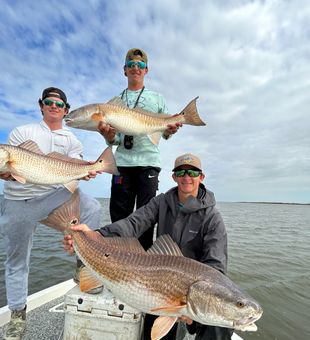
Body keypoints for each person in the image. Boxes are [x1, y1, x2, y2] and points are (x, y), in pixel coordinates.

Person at [63, 153, 233, 340]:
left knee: (220, 326)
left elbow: (215, 267)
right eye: (181, 172)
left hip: (192, 290)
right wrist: (97, 235)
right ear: (174, 177)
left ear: (201, 177)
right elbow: (134, 223)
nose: (187, 177)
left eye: (193, 172)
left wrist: (193, 311)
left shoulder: (212, 218)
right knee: (154, 334)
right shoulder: (161, 202)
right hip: (158, 284)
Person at [0, 87, 103, 340]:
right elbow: (11, 173)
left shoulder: (72, 139)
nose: (54, 107)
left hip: (52, 197)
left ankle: (82, 265)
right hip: (18, 201)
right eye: (49, 102)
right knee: (16, 259)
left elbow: (76, 170)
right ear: (41, 106)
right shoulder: (22, 133)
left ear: (66, 110)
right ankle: (17, 314)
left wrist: (86, 172)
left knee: (93, 207)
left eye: (59, 104)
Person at [99, 47, 182, 250]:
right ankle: (118, 260)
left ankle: (143, 264)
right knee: (119, 215)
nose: (136, 68)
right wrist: (107, 134)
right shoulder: (114, 103)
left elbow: (164, 133)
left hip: (149, 164)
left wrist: (171, 130)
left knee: (146, 217)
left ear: (146, 70)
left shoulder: (158, 99)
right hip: (123, 165)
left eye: (140, 65)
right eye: (131, 65)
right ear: (124, 70)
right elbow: (115, 139)